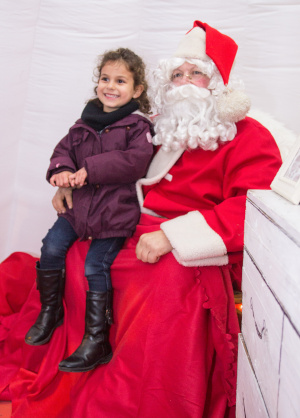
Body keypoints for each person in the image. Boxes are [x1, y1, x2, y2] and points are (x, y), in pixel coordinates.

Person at [0, 21, 282, 417]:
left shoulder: (250, 136)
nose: (185, 82)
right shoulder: (159, 128)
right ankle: (89, 351)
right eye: (177, 74)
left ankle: (140, 393)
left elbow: (254, 207)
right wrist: (69, 186)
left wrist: (173, 236)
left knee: (165, 281)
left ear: (218, 83)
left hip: (196, 243)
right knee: (76, 254)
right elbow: (113, 167)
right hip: (133, 221)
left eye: (196, 73)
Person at [24, 47, 154, 373]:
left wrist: (91, 169)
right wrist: (61, 172)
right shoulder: (84, 122)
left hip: (113, 213)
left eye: (120, 81)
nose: (110, 86)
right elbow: (63, 151)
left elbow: (135, 162)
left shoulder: (137, 127)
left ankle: (97, 340)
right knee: (51, 247)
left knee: (96, 266)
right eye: (105, 78)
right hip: (79, 209)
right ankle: (49, 310)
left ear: (137, 90)